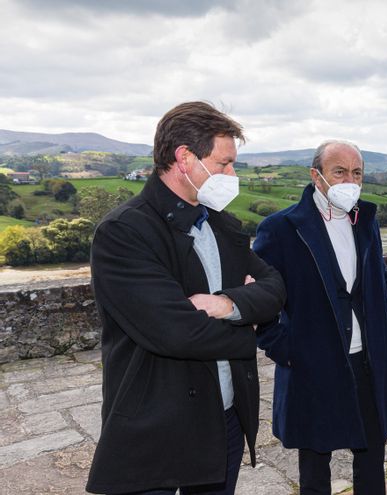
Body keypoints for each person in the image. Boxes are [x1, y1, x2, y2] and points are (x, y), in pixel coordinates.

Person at [86, 101, 286, 494]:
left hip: (224, 417)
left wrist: (227, 305)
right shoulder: (124, 232)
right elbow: (176, 332)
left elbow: (275, 287)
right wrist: (250, 330)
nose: (232, 175)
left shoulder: (221, 224)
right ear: (184, 158)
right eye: (224, 163)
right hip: (158, 424)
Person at [253, 140, 387, 495]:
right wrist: (287, 351)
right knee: (315, 467)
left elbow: (379, 285)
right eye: (340, 171)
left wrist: (384, 337)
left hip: (367, 363)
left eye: (357, 172)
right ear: (316, 176)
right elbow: (261, 302)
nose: (350, 180)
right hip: (314, 366)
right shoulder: (281, 228)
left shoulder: (366, 221)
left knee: (371, 459)